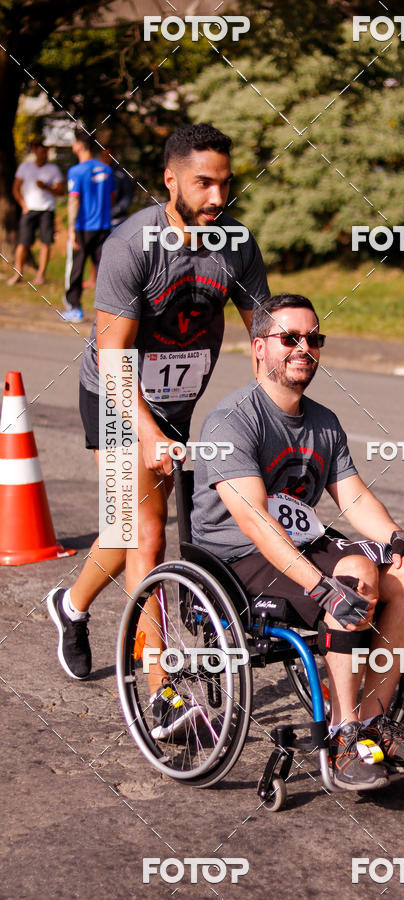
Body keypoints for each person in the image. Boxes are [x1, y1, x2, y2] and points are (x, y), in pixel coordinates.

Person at [46, 123, 270, 739]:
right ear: (170, 179)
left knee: (124, 540)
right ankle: (162, 687)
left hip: (178, 395)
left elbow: (262, 337)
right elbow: (115, 358)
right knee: (143, 538)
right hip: (117, 394)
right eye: (203, 183)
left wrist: (271, 408)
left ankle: (70, 606)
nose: (217, 197)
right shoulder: (131, 247)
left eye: (225, 184)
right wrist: (146, 433)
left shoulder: (237, 245)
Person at [190, 293, 404, 791]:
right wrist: (321, 585)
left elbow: (353, 499)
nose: (304, 347)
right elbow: (256, 522)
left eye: (313, 338)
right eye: (290, 338)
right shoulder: (233, 420)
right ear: (259, 347)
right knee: (355, 577)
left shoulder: (323, 421)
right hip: (236, 559)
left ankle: (369, 728)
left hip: (302, 543)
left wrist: (395, 536)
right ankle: (344, 739)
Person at [61, 128, 115, 322]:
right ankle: (109, 313)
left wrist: (70, 229)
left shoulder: (76, 171)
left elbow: (74, 200)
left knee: (75, 268)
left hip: (83, 228)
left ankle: (75, 308)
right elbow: (112, 197)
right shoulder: (106, 169)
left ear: (79, 146)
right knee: (104, 270)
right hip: (104, 227)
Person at [9, 141, 64, 285]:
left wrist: (46, 187)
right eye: (41, 152)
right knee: (23, 242)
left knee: (46, 243)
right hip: (29, 210)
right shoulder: (25, 167)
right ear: (35, 153)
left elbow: (61, 191)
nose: (43, 155)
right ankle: (18, 273)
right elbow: (15, 188)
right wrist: (23, 204)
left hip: (46, 210)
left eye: (45, 153)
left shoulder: (53, 169)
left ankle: (40, 275)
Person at [82, 146, 135, 289]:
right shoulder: (96, 173)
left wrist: (117, 210)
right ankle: (94, 278)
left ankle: (117, 280)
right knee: (97, 251)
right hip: (99, 219)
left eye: (109, 155)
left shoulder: (121, 175)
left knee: (116, 251)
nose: (107, 158)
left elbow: (127, 196)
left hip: (117, 219)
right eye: (104, 155)